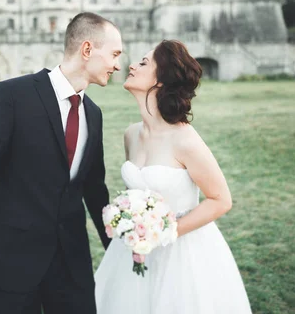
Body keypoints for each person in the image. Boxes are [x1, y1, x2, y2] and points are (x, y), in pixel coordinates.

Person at [0, 12, 123, 314]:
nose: (117, 64)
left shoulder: (93, 114)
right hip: (12, 261)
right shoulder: (13, 96)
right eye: (114, 54)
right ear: (87, 49)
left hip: (72, 265)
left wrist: (119, 252)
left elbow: (95, 192)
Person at [94, 40, 252, 313]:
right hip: (133, 250)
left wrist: (163, 232)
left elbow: (220, 200)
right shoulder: (131, 135)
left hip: (184, 253)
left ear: (161, 79)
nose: (131, 65)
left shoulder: (185, 140)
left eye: (143, 63)